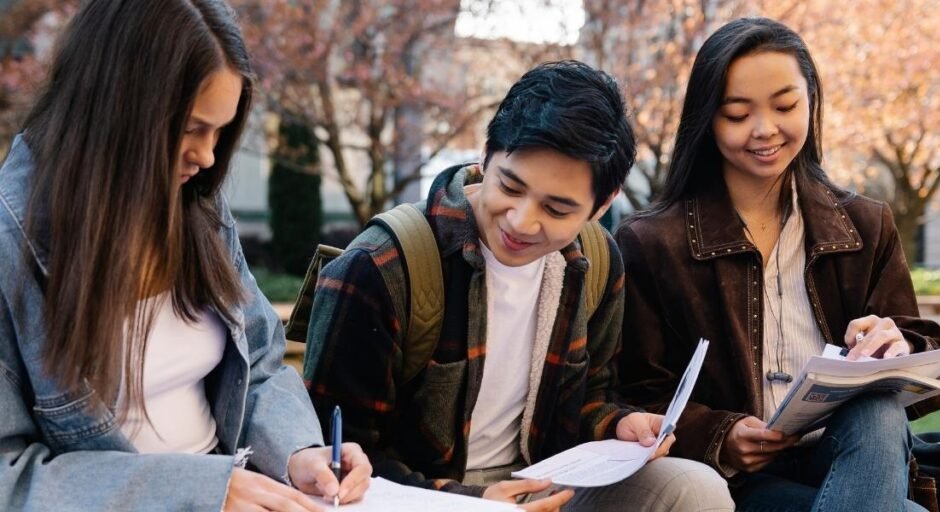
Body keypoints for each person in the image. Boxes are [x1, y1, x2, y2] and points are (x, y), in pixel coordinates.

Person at [303, 60, 733, 511]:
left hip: (543, 483)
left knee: (694, 488)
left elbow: (592, 395)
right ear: (486, 155)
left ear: (603, 204)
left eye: (557, 209)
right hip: (422, 498)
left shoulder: (595, 262)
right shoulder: (382, 266)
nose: (522, 222)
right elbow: (335, 456)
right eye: (510, 187)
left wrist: (616, 424)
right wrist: (473, 501)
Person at [0, 1, 370, 510]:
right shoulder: (10, 244)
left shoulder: (197, 206)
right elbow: (10, 477)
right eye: (193, 128)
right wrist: (200, 490)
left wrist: (298, 452)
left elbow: (259, 363)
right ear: (116, 105)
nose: (208, 156)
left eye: (220, 131)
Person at [615, 17, 940, 512]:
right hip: (734, 483)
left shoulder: (865, 225)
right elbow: (634, 392)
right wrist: (721, 434)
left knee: (878, 410)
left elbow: (930, 376)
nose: (764, 129)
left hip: (849, 456)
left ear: (811, 100)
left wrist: (898, 345)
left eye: (785, 106)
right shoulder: (652, 242)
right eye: (737, 113)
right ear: (707, 119)